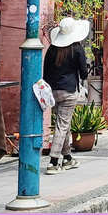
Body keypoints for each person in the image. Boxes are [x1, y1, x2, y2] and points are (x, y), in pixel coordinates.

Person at [43, 17, 89, 175]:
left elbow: (46, 70)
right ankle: (53, 161)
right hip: (69, 91)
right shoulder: (77, 49)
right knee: (61, 126)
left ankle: (67, 157)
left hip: (53, 91)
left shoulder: (52, 49)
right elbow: (83, 74)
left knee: (63, 124)